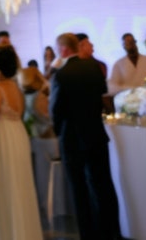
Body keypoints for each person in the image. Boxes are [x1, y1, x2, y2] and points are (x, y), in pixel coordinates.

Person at [50, 32, 122, 240]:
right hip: (96, 134)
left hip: (72, 138)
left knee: (79, 190)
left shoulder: (61, 75)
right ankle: (111, 232)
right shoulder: (93, 68)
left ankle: (88, 234)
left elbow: (56, 110)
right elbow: (101, 95)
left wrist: (58, 132)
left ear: (63, 49)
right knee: (104, 185)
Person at [0, 46, 43, 240]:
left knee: (6, 185)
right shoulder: (17, 88)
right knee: (20, 184)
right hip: (18, 135)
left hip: (3, 138)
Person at [20, 64, 53, 138]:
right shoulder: (39, 96)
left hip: (31, 133)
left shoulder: (23, 96)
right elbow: (45, 116)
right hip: (44, 134)